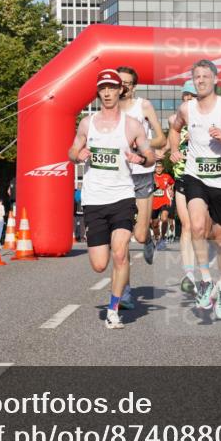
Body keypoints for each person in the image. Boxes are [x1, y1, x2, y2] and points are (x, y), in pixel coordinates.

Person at [169, 60, 221, 323]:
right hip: (195, 176)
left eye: (206, 76)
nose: (201, 80)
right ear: (193, 80)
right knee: (196, 227)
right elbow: (174, 129)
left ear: (215, 80)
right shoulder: (187, 108)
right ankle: (205, 282)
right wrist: (174, 149)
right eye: (197, 76)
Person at [68, 69, 154, 329]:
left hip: (122, 197)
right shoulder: (87, 123)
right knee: (99, 264)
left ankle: (114, 308)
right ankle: (114, 295)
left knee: (119, 255)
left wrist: (141, 158)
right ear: (98, 92)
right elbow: (72, 150)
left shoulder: (132, 125)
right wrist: (78, 155)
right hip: (94, 198)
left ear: (120, 90)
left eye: (111, 88)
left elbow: (150, 155)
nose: (106, 93)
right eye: (102, 88)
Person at [118, 66, 167, 272]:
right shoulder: (108, 108)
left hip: (141, 173)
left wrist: (141, 143)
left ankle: (147, 239)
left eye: (126, 83)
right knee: (120, 237)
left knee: (138, 234)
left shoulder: (143, 106)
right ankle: (124, 290)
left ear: (134, 87)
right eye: (118, 82)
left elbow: (161, 138)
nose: (122, 87)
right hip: (117, 175)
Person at [169, 82, 198, 295]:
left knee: (201, 228)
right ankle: (189, 274)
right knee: (187, 225)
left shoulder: (208, 121)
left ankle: (201, 265)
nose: (188, 100)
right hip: (181, 177)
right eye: (185, 96)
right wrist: (171, 150)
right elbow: (171, 147)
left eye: (192, 96)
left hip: (203, 179)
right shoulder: (174, 121)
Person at [151, 160, 175, 250]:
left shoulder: (167, 176)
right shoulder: (151, 177)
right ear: (154, 168)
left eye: (160, 167)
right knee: (154, 224)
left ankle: (163, 238)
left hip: (165, 201)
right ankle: (157, 238)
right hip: (154, 202)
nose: (158, 169)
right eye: (157, 167)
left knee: (164, 219)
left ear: (163, 168)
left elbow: (172, 183)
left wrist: (171, 190)